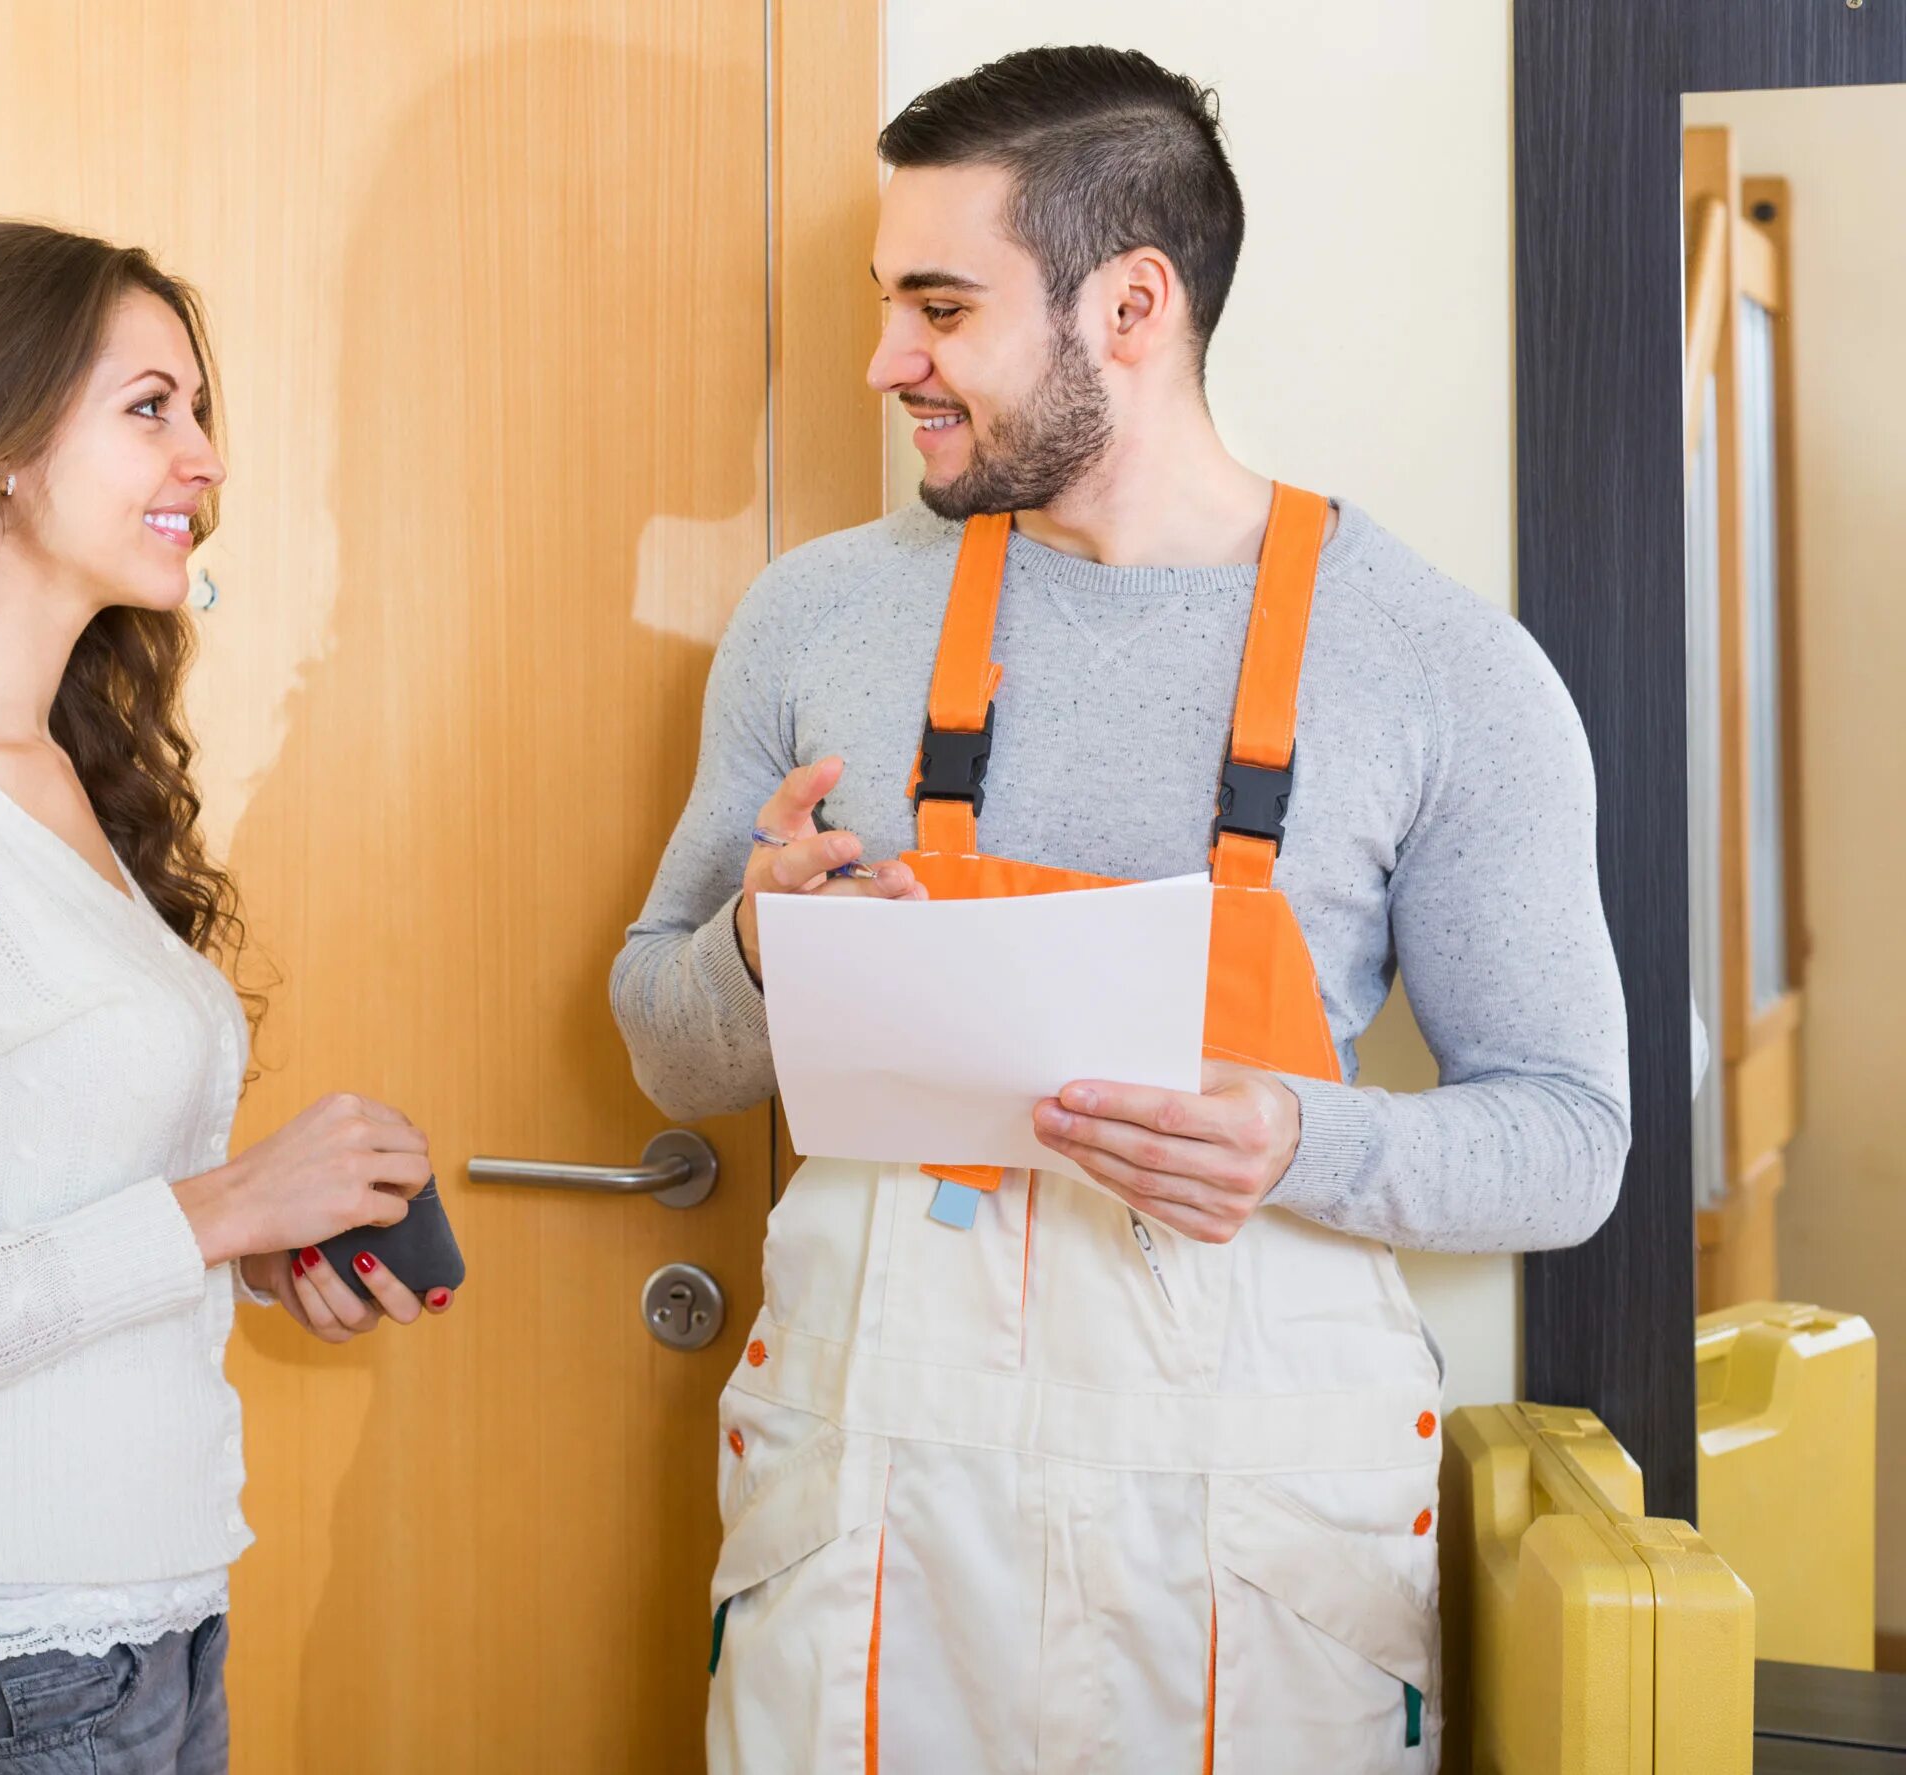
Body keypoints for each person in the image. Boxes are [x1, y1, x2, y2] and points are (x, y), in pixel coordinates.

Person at [612, 47, 1629, 1772]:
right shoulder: (815, 626)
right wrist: (760, 942)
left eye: (941, 308)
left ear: (1132, 302)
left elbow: (1571, 1139)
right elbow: (664, 1051)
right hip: (871, 1527)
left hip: (1247, 1567)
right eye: (889, 305)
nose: (886, 364)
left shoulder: (1445, 671)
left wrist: (1293, 1142)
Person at [0, 220, 451, 1773]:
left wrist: (251, 1252)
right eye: (151, 408)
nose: (208, 458)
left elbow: (39, 1201)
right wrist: (214, 1210)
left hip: (153, 1618)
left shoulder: (66, 779)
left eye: (200, 410)